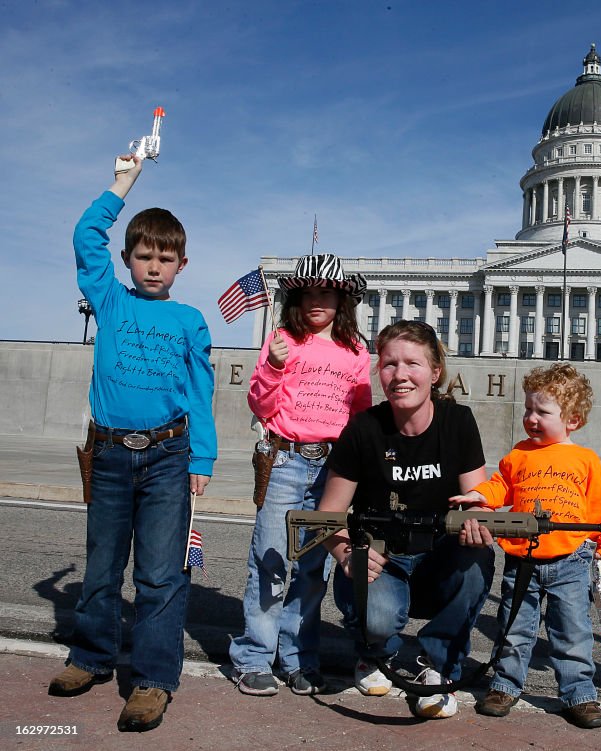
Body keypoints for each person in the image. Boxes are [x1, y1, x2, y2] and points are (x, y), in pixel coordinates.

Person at [48, 155, 216, 733]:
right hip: (111, 453)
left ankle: (151, 679)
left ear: (181, 264)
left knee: (162, 573)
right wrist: (124, 182)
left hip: (169, 456)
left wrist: (203, 456)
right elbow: (84, 235)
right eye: (143, 256)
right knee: (102, 564)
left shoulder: (191, 320)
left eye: (164, 258)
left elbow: (200, 390)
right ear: (126, 259)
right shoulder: (111, 300)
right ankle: (90, 657)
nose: (152, 266)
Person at [318, 320, 495, 719]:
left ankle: (439, 665)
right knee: (379, 618)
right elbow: (327, 515)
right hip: (380, 557)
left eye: (412, 364)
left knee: (477, 562)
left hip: (438, 559)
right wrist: (347, 553)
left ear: (435, 372)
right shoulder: (364, 428)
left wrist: (477, 519)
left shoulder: (458, 422)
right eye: (389, 364)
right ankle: (373, 653)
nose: (400, 375)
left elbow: (479, 500)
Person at [452, 363, 601, 730]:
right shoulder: (519, 455)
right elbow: (499, 486)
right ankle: (504, 685)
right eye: (528, 409)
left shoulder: (585, 460)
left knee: (572, 632)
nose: (531, 418)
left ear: (573, 420)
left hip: (572, 560)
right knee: (515, 627)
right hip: (522, 560)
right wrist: (477, 496)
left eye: (542, 412)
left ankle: (579, 693)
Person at [229, 254, 372, 697]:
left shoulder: (356, 352)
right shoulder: (282, 340)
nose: (317, 301)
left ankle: (297, 659)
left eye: (326, 292)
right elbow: (261, 406)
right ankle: (254, 655)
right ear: (296, 297)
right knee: (270, 561)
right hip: (286, 458)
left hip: (333, 469)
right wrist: (272, 365)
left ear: (341, 300)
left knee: (313, 570)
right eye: (309, 292)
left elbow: (361, 416)